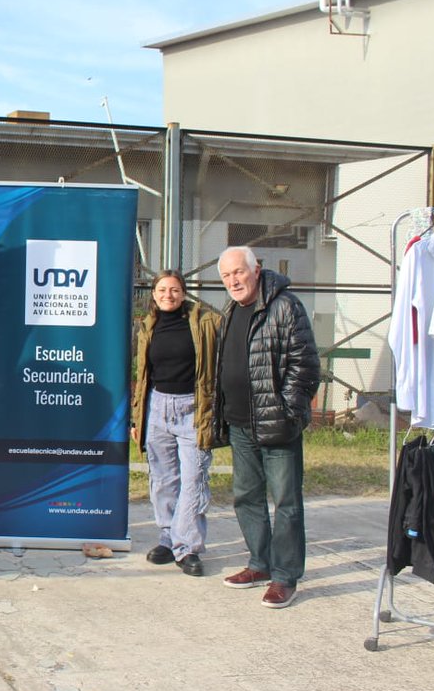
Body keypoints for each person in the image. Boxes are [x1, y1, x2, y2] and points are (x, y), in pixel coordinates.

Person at [213, 246, 320, 608]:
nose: (233, 281)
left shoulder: (285, 306)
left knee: (286, 502)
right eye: (226, 276)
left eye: (238, 272)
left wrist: (288, 412)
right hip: (240, 424)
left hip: (277, 424)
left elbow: (305, 364)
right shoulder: (230, 310)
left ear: (256, 270)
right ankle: (259, 564)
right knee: (247, 498)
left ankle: (285, 577)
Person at [130, 270, 220, 578]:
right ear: (154, 294)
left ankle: (188, 547)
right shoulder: (147, 326)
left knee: (193, 479)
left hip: (193, 408)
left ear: (183, 293)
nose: (168, 295)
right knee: (163, 479)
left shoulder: (204, 321)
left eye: (174, 290)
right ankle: (168, 539)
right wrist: (137, 416)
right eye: (162, 290)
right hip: (157, 407)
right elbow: (143, 375)